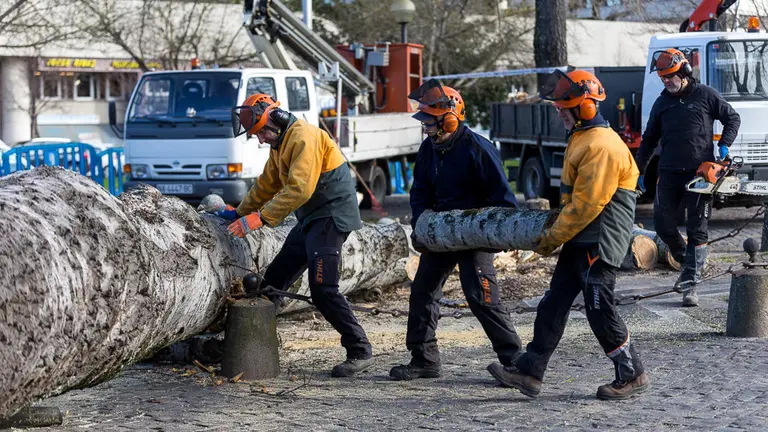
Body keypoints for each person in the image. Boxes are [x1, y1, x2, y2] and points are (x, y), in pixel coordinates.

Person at [487, 70, 648, 400]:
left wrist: (550, 238)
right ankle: (531, 371)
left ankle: (632, 373)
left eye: (565, 107)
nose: (558, 111)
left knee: (599, 308)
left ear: (586, 108)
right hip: (582, 239)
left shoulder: (601, 145)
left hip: (600, 240)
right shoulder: (583, 136)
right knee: (553, 304)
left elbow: (585, 206)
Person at [213, 93, 374, 377]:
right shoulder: (280, 144)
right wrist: (240, 212)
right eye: (256, 135)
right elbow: (267, 184)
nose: (261, 139)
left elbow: (300, 189)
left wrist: (260, 218)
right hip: (312, 218)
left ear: (276, 118)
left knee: (323, 288)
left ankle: (359, 349)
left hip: (332, 216)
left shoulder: (303, 137)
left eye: (261, 132)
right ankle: (254, 342)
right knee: (273, 280)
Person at [389, 79, 524, 381]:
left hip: (474, 232)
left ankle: (515, 361)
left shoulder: (478, 148)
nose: (425, 126)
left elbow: (504, 199)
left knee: (482, 296)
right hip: (441, 230)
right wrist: (421, 223)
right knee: (423, 291)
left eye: (429, 121)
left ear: (449, 117)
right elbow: (419, 191)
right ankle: (424, 359)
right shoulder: (429, 149)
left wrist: (494, 235)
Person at [635, 48, 740, 307]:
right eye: (662, 77)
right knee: (662, 225)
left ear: (684, 71)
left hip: (699, 174)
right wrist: (638, 170)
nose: (666, 81)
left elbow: (732, 118)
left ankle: (691, 284)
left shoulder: (705, 95)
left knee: (697, 229)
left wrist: (724, 145)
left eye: (670, 76)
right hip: (669, 172)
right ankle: (686, 264)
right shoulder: (661, 103)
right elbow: (649, 141)